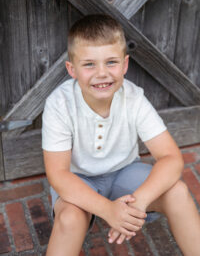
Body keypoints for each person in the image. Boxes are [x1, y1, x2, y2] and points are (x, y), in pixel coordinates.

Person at [42, 14, 200, 256]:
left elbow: (171, 157)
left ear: (125, 65)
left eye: (111, 62)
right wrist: (108, 210)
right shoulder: (59, 104)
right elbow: (59, 175)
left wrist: (137, 204)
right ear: (71, 69)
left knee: (177, 191)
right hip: (79, 179)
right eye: (89, 64)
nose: (102, 73)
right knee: (70, 219)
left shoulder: (134, 97)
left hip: (124, 173)